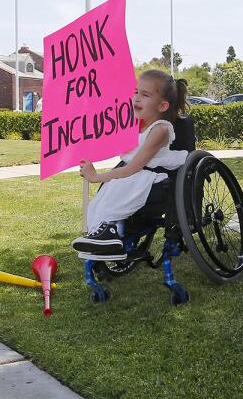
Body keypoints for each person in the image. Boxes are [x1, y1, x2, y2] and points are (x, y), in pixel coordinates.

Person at [71, 69, 190, 261]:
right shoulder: (133, 125)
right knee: (99, 201)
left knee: (116, 186)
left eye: (145, 95)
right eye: (136, 92)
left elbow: (133, 167)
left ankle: (111, 232)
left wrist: (96, 176)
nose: (137, 98)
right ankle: (102, 234)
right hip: (132, 177)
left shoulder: (160, 129)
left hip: (153, 181)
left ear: (162, 106)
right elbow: (108, 144)